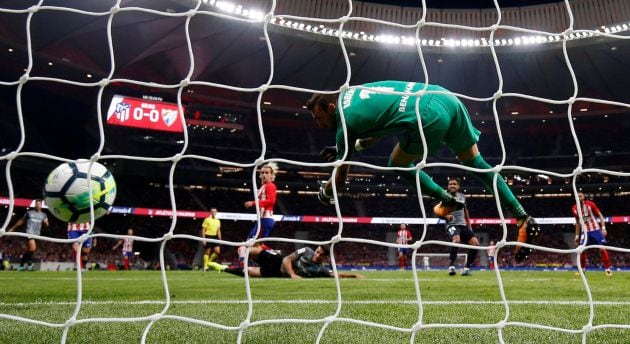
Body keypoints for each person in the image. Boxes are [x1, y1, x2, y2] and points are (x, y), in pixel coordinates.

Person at [307, 81, 539, 262]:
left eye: (319, 118)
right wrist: (354, 146)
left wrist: (324, 194)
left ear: (331, 108)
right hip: (445, 97)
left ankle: (446, 200)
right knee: (478, 164)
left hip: (426, 114)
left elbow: (340, 178)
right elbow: (377, 128)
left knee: (396, 163)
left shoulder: (343, 125)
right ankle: (522, 217)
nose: (318, 124)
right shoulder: (353, 91)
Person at [209, 245, 363, 279]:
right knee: (254, 251)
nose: (316, 255)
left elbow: (333, 275)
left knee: (248, 272)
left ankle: (222, 268)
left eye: (320, 254)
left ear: (325, 258)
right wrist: (292, 274)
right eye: (317, 251)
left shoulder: (319, 270)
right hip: (279, 260)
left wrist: (353, 276)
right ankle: (242, 255)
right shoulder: (306, 251)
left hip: (277, 273)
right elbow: (288, 259)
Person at [239, 162, 278, 264]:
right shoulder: (263, 187)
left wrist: (253, 203)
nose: (264, 174)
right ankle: (275, 255)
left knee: (246, 246)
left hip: (265, 220)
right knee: (255, 246)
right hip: (262, 220)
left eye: (267, 172)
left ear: (271, 175)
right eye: (262, 172)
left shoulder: (270, 186)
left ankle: (243, 266)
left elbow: (271, 201)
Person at [440, 178, 479, 276]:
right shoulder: (445, 196)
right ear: (448, 186)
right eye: (450, 184)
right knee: (456, 240)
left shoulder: (462, 196)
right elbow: (438, 211)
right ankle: (451, 267)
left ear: (458, 186)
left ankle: (467, 269)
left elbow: (466, 211)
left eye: (454, 184)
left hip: (463, 225)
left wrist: (469, 225)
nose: (452, 185)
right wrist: (446, 216)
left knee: (475, 244)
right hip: (452, 225)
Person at [572, 193, 612, 277]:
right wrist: (576, 236)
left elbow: (600, 215)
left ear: (584, 197)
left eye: (580, 196)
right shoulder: (574, 209)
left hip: (595, 230)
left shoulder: (590, 204)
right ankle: (582, 270)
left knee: (602, 249)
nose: (579, 197)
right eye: (577, 196)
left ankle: (608, 269)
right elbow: (578, 223)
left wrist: (603, 227)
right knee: (581, 250)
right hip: (584, 232)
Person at [7, 199, 49, 271]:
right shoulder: (29, 213)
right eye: (37, 204)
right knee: (33, 248)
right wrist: (13, 228)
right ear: (35, 205)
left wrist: (46, 223)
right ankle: (30, 265)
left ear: (41, 205)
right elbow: (21, 221)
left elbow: (47, 225)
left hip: (37, 234)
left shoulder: (44, 215)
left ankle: (21, 266)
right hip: (29, 232)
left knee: (30, 250)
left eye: (39, 204)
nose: (38, 205)